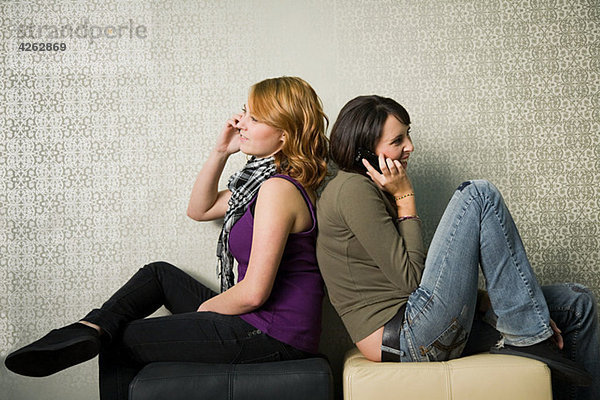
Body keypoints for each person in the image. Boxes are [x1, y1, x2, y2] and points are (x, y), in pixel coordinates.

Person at [5, 76, 329, 400]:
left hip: (274, 333)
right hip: (259, 320)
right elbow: (199, 209)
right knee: (158, 274)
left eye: (254, 118)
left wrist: (202, 314)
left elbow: (254, 293)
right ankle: (89, 327)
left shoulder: (278, 189)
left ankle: (98, 331)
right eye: (245, 112)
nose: (242, 122)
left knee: (119, 340)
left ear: (284, 135)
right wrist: (220, 151)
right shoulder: (260, 184)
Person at [316, 95, 599, 400]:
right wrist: (406, 199)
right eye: (398, 140)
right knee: (477, 194)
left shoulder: (372, 190)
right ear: (364, 153)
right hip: (404, 338)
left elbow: (429, 285)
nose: (410, 146)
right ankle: (530, 335)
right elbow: (412, 281)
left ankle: (534, 337)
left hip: (422, 324)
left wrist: (489, 302)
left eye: (408, 134)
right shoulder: (351, 190)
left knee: (576, 303)